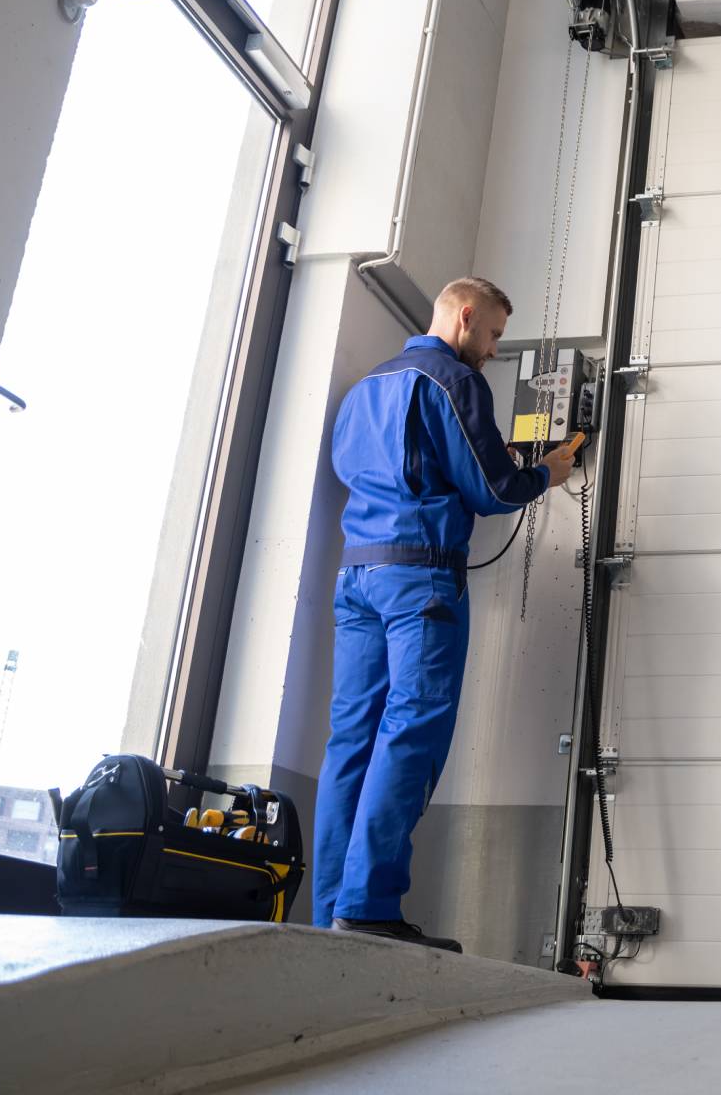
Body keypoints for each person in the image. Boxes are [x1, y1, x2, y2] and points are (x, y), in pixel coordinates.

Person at [314, 276, 578, 952]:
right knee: (411, 733)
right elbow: (494, 488)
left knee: (353, 742)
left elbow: (356, 468)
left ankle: (331, 919)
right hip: (419, 583)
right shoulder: (451, 382)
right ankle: (369, 908)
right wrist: (549, 469)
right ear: (464, 317)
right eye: (492, 334)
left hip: (357, 576)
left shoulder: (366, 388)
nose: (492, 350)